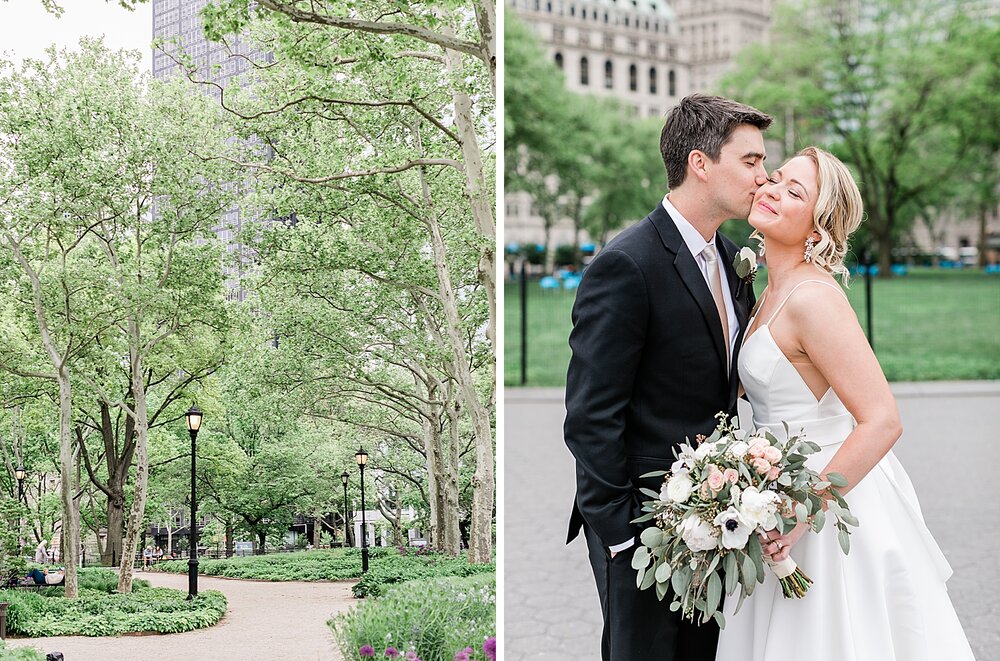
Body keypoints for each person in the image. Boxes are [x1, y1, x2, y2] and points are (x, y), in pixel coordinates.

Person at [715, 147, 975, 660]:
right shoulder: (765, 290)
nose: (771, 190)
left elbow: (881, 420)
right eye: (777, 178)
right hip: (770, 490)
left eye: (796, 192)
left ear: (817, 229)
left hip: (823, 499)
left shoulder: (813, 299)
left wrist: (799, 511)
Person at [564, 94, 772, 661]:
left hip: (714, 516)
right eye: (750, 161)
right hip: (643, 526)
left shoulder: (734, 262)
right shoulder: (627, 263)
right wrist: (624, 534)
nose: (764, 175)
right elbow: (589, 415)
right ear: (700, 163)